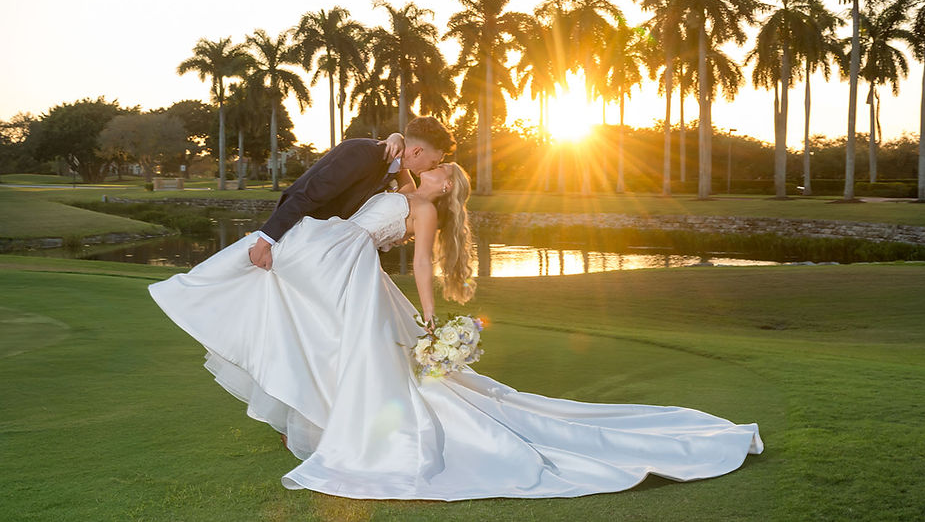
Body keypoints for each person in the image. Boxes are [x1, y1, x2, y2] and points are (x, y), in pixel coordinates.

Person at [148, 163, 763, 501]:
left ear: (450, 191)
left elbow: (419, 263)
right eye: (433, 169)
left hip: (349, 263)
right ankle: (311, 419)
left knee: (354, 350)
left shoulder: (424, 208)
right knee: (312, 329)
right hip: (332, 251)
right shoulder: (396, 184)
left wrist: (428, 316)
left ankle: (335, 427)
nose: (434, 173)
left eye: (443, 175)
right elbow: (348, 184)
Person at [248, 115, 455, 270]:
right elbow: (308, 194)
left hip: (325, 248)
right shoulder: (365, 155)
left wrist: (397, 137)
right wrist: (265, 242)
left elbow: (407, 190)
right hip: (300, 236)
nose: (432, 167)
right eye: (434, 162)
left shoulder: (391, 165)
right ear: (418, 152)